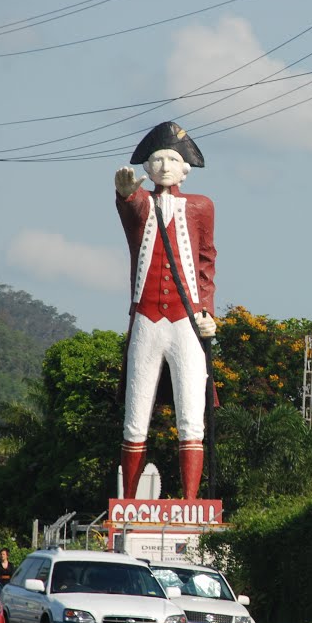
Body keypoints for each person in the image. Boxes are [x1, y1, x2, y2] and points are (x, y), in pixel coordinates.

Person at [114, 121, 216, 501]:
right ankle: (127, 500)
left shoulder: (201, 206)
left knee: (192, 414)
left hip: (186, 321)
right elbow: (131, 210)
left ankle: (191, 501)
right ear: (147, 166)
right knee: (135, 415)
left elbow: (206, 261)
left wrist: (206, 310)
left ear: (185, 167)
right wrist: (124, 195)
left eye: (172, 158)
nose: (165, 165)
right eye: (158, 158)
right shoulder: (142, 202)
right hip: (145, 319)